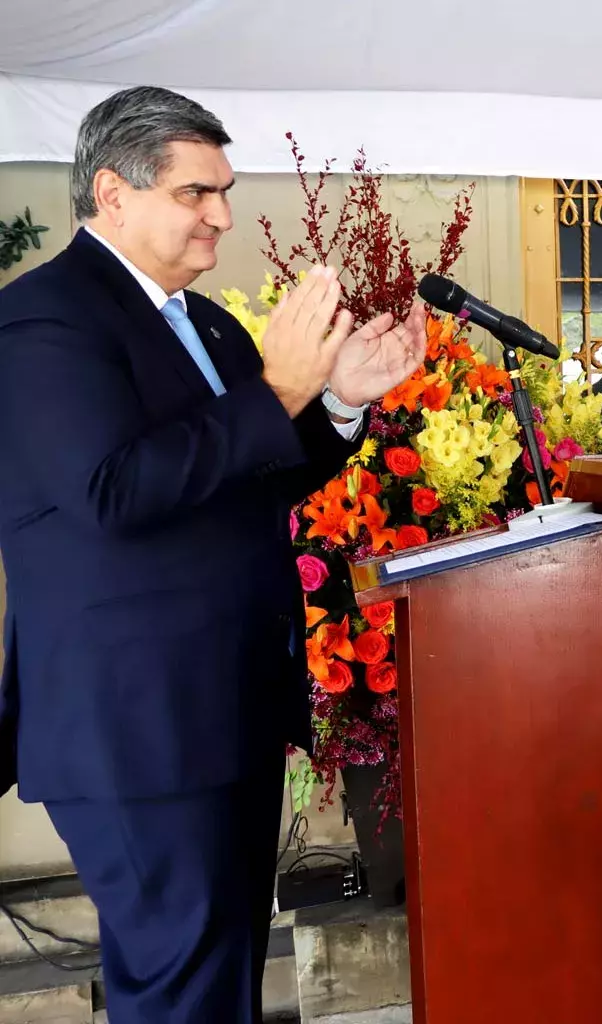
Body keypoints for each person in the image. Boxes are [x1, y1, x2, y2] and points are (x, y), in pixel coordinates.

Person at [0, 86, 428, 1023]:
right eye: (197, 193)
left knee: (221, 975)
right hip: (136, 724)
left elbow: (252, 478)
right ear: (113, 194)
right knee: (183, 982)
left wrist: (340, 402)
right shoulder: (44, 322)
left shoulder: (209, 327)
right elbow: (113, 493)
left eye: (223, 190)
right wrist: (277, 389)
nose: (223, 216)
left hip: (224, 706)